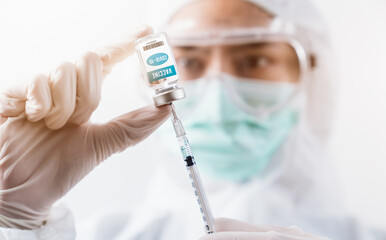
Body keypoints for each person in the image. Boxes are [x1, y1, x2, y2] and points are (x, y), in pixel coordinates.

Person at [0, 0, 384, 239]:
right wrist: (15, 221)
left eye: (255, 59)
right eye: (189, 61)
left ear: (312, 75)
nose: (218, 92)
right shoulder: (99, 234)